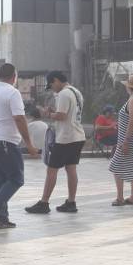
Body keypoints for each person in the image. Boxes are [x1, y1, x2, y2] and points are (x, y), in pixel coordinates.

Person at [0, 63, 38, 229]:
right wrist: (29, 144)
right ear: (14, 77)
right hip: (5, 142)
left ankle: (1, 218)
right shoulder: (13, 92)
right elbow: (19, 118)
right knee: (16, 178)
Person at [26, 71, 86, 214]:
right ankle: (71, 202)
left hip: (65, 138)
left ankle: (44, 203)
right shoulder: (76, 92)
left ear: (56, 80)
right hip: (78, 136)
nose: (52, 88)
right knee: (71, 169)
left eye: (51, 85)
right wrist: (55, 111)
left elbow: (62, 116)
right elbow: (69, 113)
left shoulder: (64, 94)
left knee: (51, 170)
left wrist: (47, 114)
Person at [108, 74, 133, 206]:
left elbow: (132, 121)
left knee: (116, 165)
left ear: (129, 87)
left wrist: (126, 141)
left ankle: (120, 197)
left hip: (129, 138)